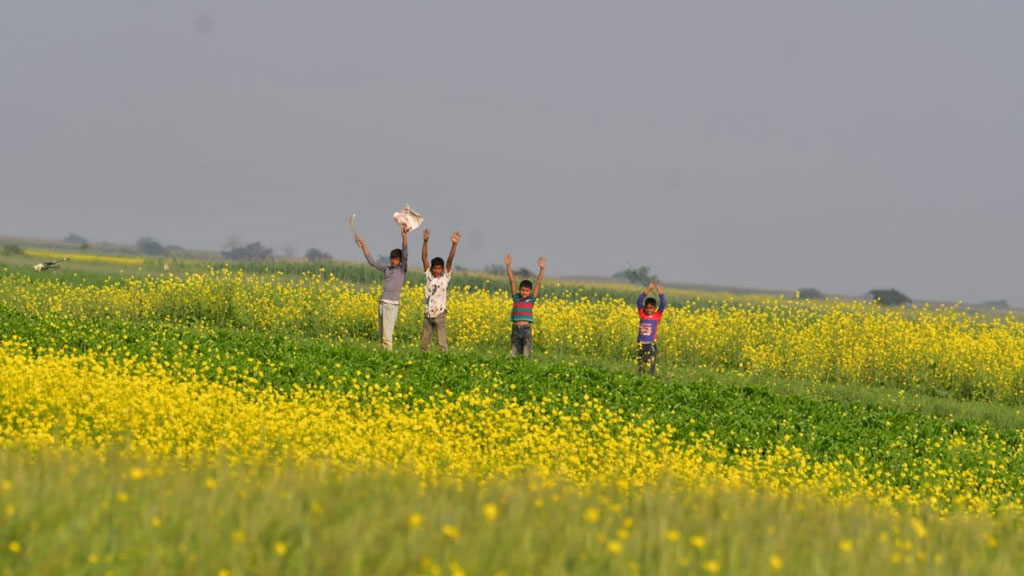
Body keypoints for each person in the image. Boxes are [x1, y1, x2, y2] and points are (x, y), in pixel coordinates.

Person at [354, 225, 408, 351]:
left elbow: (405, 253)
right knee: (382, 336)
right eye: (392, 259)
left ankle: (388, 358)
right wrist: (362, 244)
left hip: (392, 305)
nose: (393, 261)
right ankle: (383, 356)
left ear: (400, 261)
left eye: (395, 259)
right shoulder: (387, 269)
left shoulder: (402, 270)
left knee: (387, 337)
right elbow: (371, 262)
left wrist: (404, 236)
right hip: (382, 304)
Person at [421, 228, 460, 352]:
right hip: (428, 313)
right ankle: (423, 359)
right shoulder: (429, 276)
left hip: (440, 314)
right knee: (425, 342)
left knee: (442, 342)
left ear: (442, 269)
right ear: (432, 269)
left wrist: (454, 244)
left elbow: (449, 260)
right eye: (435, 268)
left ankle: (444, 360)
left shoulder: (445, 277)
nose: (437, 270)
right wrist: (425, 241)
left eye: (439, 268)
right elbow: (424, 258)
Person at [506, 253, 545, 358]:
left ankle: (526, 370)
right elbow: (512, 282)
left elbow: (538, 284)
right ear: (519, 290)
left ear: (530, 291)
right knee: (514, 353)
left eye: (527, 291)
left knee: (526, 354)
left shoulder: (531, 300)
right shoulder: (516, 298)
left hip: (526, 329)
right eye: (522, 290)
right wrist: (508, 267)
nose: (524, 293)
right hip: (515, 329)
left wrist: (541, 269)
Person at [636, 281, 666, 375]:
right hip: (641, 343)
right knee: (641, 364)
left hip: (651, 344)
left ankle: (651, 379)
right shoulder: (642, 314)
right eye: (647, 308)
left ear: (655, 308)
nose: (649, 310)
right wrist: (649, 288)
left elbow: (663, 304)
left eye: (651, 308)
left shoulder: (657, 316)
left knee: (651, 364)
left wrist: (659, 291)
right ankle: (640, 378)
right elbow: (639, 301)